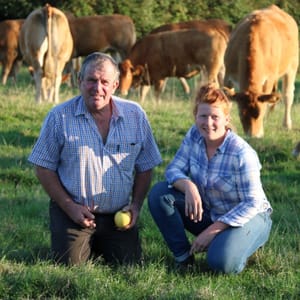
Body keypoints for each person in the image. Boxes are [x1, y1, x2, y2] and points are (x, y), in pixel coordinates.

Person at [28, 52, 162, 265]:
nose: (97, 88)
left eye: (104, 82)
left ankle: (102, 243)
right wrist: (69, 206)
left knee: (128, 265)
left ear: (115, 85)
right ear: (79, 81)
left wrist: (135, 205)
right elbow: (43, 166)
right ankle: (81, 242)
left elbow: (146, 166)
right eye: (91, 80)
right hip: (73, 212)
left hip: (118, 215)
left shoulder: (135, 115)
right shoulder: (59, 116)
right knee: (69, 265)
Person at [148, 83, 272, 274]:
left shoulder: (241, 153)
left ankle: (246, 242)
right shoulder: (194, 135)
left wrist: (212, 231)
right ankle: (183, 257)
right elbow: (173, 169)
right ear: (195, 117)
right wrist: (189, 186)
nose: (208, 122)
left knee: (221, 264)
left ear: (226, 119)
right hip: (211, 212)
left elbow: (252, 203)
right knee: (159, 194)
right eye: (203, 116)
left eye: (215, 117)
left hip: (249, 216)